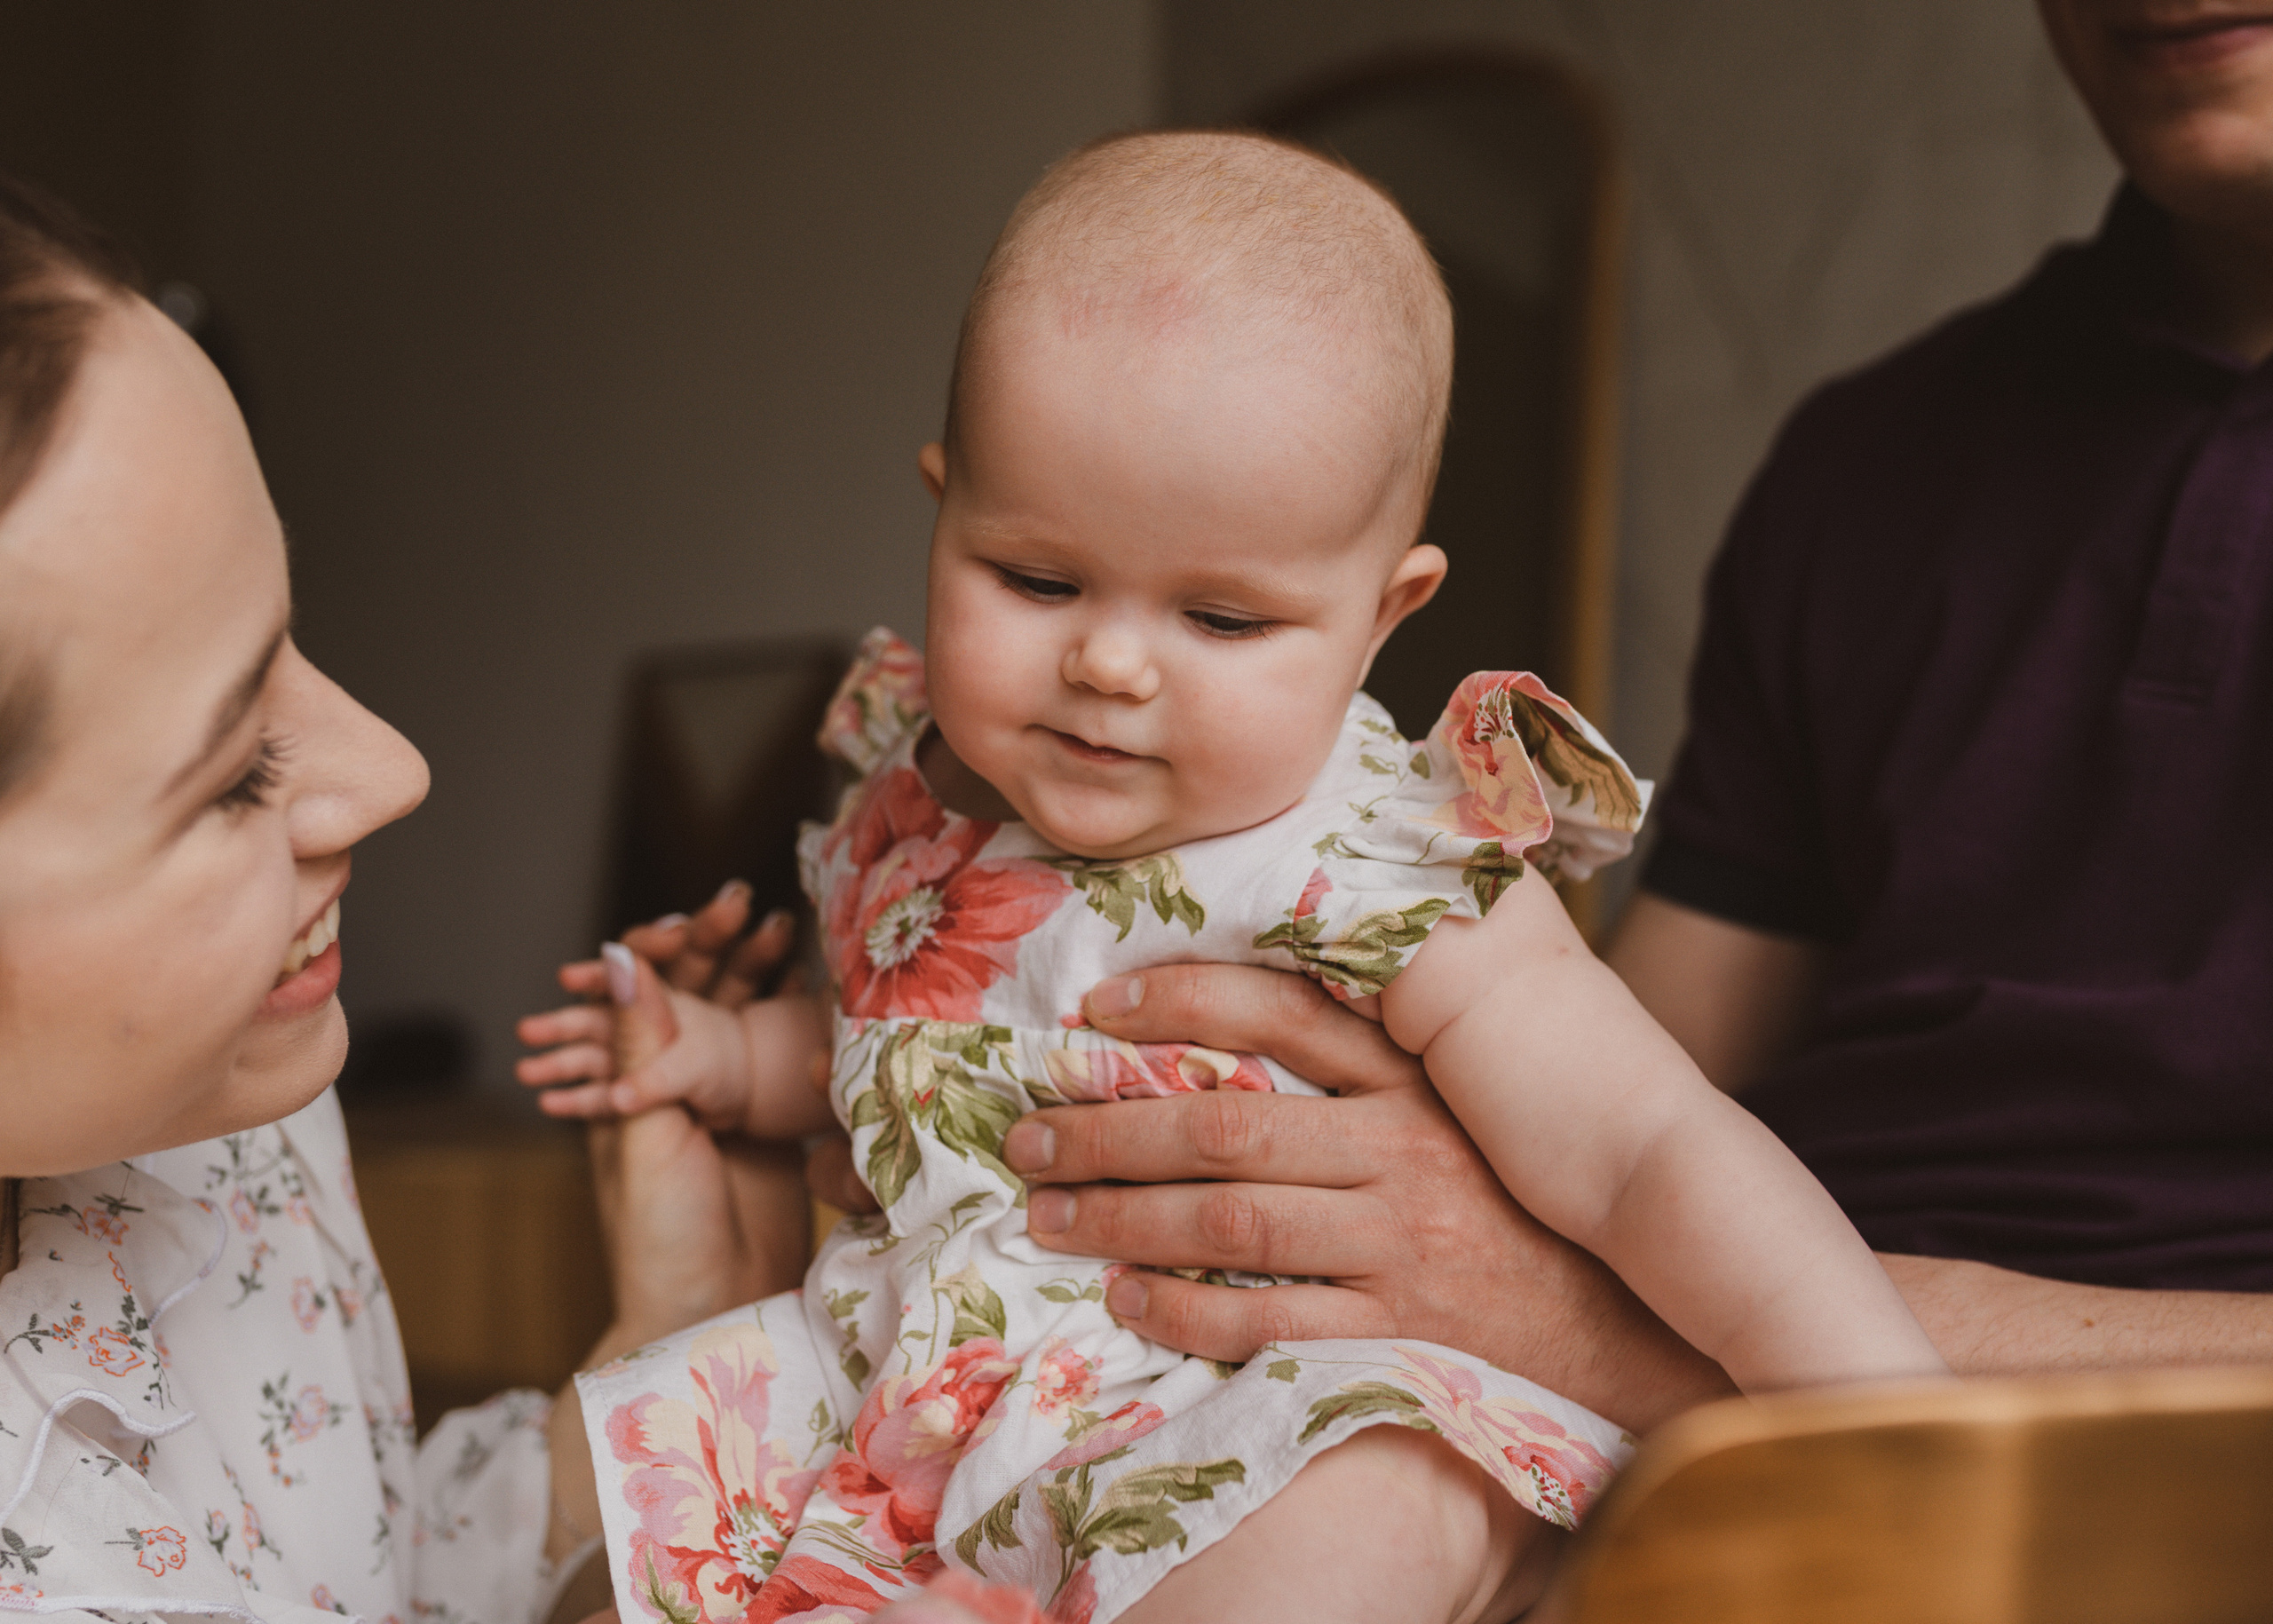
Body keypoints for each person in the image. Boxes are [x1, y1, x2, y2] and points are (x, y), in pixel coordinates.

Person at [521, 131, 1941, 1624]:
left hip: (1247, 1419)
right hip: (930, 1427)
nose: (1111, 664)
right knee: (614, 1579)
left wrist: (1873, 1408)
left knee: (1359, 1527)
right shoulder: (925, 804)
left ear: (1381, 615)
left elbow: (1646, 1145)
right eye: (1037, 579)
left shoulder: (1380, 860)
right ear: (942, 511)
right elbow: (914, 1063)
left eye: (1221, 617)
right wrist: (727, 1056)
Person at [0, 174, 803, 1624]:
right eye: (237, 769)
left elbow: (355, 1569)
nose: (393, 768)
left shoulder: (221, 1116)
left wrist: (683, 1326)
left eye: (291, 637)